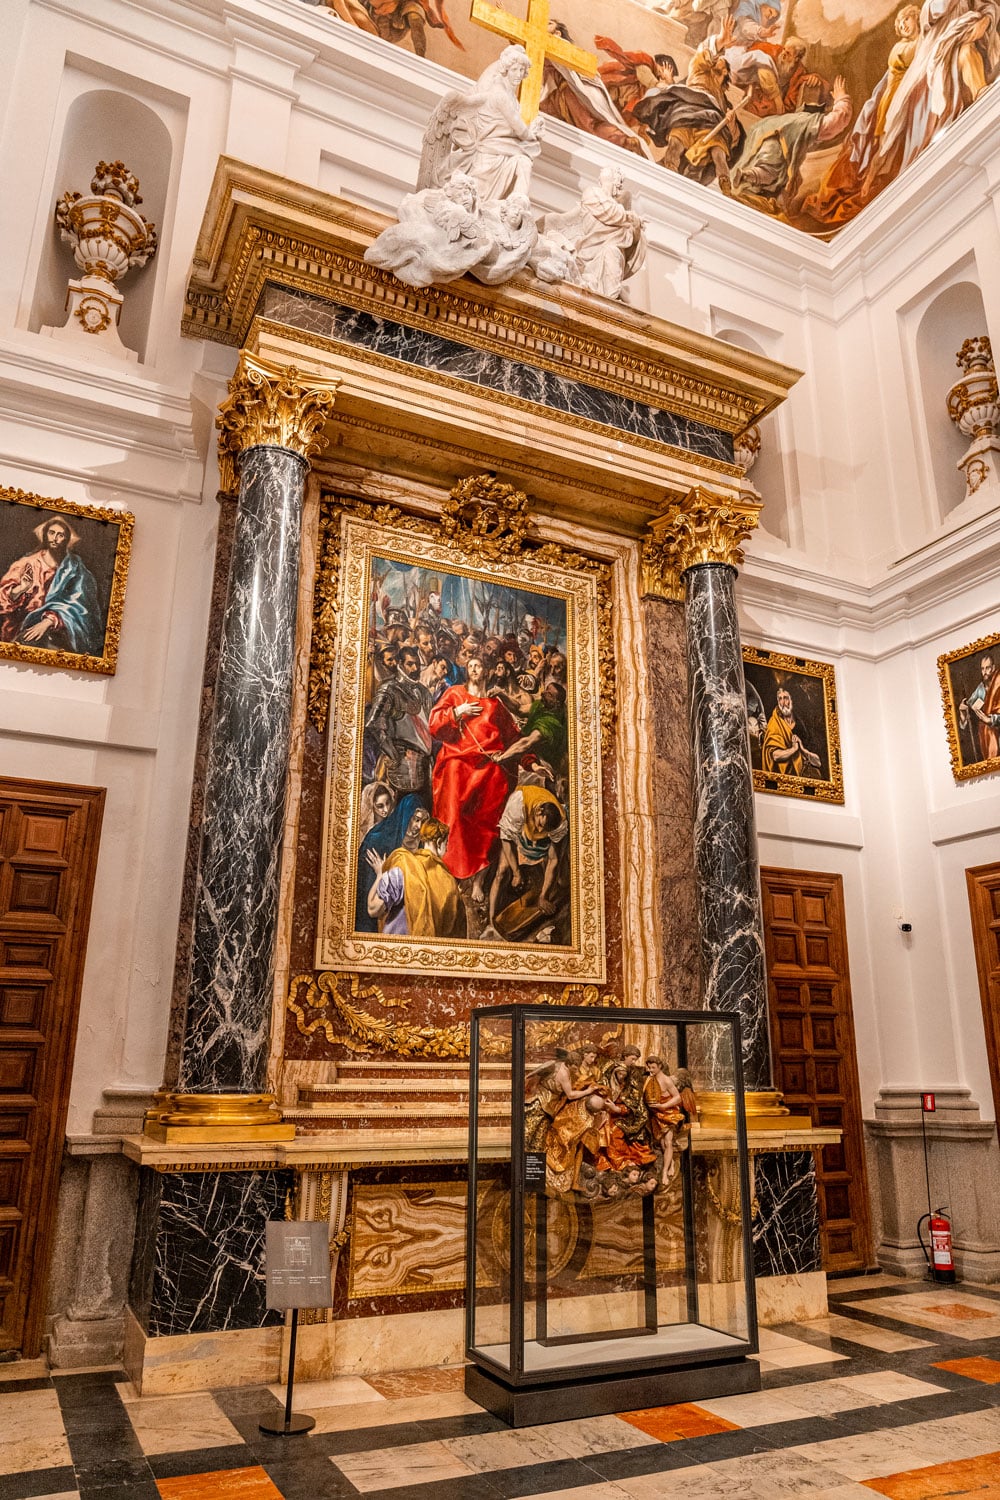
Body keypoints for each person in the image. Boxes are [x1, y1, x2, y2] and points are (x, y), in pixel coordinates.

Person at [805, 5, 921, 226]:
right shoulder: (902, 46)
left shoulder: (917, 42)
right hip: (893, 98)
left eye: (907, 20)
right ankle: (868, 182)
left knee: (889, 143)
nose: (904, 25)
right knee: (882, 141)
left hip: (905, 96)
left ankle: (872, 179)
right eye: (900, 22)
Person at [428, 654, 520, 903]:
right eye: (471, 666)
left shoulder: (494, 705)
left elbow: (513, 737)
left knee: (488, 819)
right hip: (458, 762)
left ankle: (478, 880)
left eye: (479, 665)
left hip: (488, 767)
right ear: (467, 671)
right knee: (456, 814)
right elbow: (434, 725)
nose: (475, 668)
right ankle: (454, 875)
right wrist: (458, 712)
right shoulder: (455, 694)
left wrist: (531, 760)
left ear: (487, 671)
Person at [418, 45, 543, 201]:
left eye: (521, 70)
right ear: (505, 69)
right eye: (514, 70)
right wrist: (533, 133)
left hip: (503, 151)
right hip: (490, 156)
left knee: (524, 162)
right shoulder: (500, 95)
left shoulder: (511, 96)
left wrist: (531, 133)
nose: (518, 75)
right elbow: (520, 129)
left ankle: (517, 204)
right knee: (477, 201)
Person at [730, 77, 852, 216]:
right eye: (755, 102)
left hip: (748, 187)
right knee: (768, 169)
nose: (762, 103)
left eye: (762, 97)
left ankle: (748, 175)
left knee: (768, 168)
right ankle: (749, 175)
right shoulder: (798, 121)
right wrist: (842, 99)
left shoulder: (761, 126)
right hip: (767, 181)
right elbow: (835, 123)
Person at [0, 514, 102, 655]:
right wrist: (21, 588)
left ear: (66, 539)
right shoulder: (26, 564)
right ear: (45, 535)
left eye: (60, 535)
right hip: (22, 628)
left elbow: (80, 605)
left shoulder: (74, 568)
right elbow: (2, 602)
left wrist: (49, 621)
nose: (55, 538)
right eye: (52, 533)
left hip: (61, 629)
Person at [365, 815, 466, 938]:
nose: (447, 848)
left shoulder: (404, 867)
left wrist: (380, 875)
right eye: (447, 843)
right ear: (439, 843)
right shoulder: (450, 882)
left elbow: (373, 909)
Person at [488, 783, 568, 928]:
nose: (540, 830)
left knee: (561, 880)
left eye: (545, 828)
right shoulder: (517, 805)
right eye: (540, 825)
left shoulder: (560, 821)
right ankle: (491, 920)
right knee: (502, 871)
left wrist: (544, 897)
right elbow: (506, 839)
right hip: (518, 832)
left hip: (538, 842)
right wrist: (516, 873)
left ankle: (544, 893)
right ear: (539, 811)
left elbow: (554, 860)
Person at [364, 643, 433, 797]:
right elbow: (375, 724)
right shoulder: (389, 689)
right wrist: (393, 754)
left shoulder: (423, 692)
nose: (415, 669)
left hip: (423, 763)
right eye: (410, 664)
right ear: (400, 664)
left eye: (417, 664)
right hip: (400, 764)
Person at [354, 792, 428, 933]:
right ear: (405, 815)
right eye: (415, 819)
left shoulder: (420, 844)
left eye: (422, 822)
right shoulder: (377, 840)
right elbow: (366, 889)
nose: (418, 826)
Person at [762, 687, 823, 776]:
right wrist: (793, 749)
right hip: (783, 776)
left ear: (792, 700)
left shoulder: (802, 725)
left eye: (786, 698)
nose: (782, 702)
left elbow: (818, 762)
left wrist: (803, 750)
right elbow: (775, 756)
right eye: (780, 699)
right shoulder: (774, 723)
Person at [643, 1055, 684, 1184]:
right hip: (656, 1114)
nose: (651, 1070)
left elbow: (677, 1098)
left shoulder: (666, 1080)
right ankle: (670, 1162)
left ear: (660, 1067)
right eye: (649, 1067)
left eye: (653, 1067)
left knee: (667, 1143)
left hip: (667, 1113)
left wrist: (663, 1106)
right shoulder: (649, 1079)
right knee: (661, 1142)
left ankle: (664, 1172)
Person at [960, 653, 1000, 761]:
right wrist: (963, 713)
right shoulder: (980, 689)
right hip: (986, 737)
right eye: (982, 669)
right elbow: (969, 709)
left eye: (987, 668)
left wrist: (990, 720)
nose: (985, 672)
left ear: (993, 668)